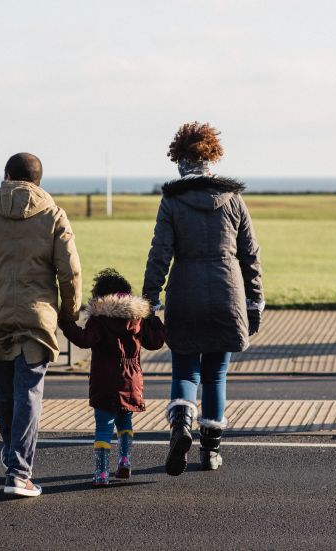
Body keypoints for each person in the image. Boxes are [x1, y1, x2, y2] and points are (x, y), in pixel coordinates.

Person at [0, 152, 82, 497]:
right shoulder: (53, 214)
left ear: (6, 176)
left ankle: (12, 459)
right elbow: (70, 271)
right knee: (29, 394)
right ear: (38, 181)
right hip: (37, 319)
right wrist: (68, 314)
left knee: (4, 392)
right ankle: (19, 472)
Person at [142, 122, 264, 476]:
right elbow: (250, 256)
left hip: (184, 292)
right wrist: (255, 303)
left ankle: (181, 423)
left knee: (184, 369)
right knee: (215, 375)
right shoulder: (234, 201)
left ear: (179, 159)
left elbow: (159, 253)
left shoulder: (172, 202)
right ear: (214, 156)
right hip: (227, 293)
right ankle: (210, 451)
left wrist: (150, 300)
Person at [59, 269, 165, 486]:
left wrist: (66, 324)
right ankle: (125, 462)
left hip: (103, 379)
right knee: (125, 420)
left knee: (103, 426)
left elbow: (84, 340)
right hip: (130, 378)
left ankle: (101, 473)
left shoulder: (99, 319)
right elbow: (155, 342)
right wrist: (154, 319)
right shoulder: (137, 319)